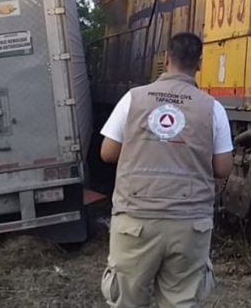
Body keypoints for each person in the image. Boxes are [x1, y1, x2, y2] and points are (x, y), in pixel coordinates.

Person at [99, 32, 234, 308]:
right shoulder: (213, 108)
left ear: (165, 59)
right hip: (190, 225)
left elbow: (107, 153)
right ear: (199, 63)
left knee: (127, 300)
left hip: (136, 221)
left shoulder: (132, 99)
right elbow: (223, 167)